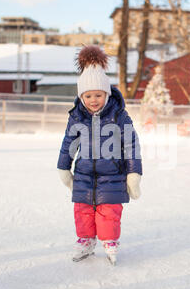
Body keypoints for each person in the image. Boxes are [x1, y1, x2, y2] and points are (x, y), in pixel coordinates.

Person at [57, 45, 142, 265]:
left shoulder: (119, 116)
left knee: (109, 211)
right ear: (81, 96)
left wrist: (134, 174)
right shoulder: (77, 117)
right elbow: (69, 143)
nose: (93, 100)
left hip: (113, 175)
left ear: (106, 93)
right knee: (82, 210)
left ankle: (110, 241)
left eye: (98, 95)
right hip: (84, 173)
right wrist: (64, 167)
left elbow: (131, 145)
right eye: (88, 95)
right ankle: (86, 240)